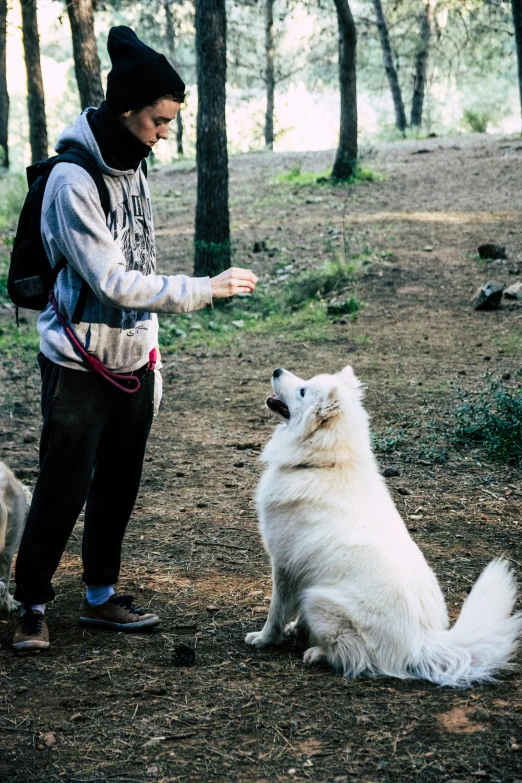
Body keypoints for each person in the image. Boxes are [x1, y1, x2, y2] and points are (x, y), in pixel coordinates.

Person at [12, 26, 257, 653]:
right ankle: (31, 604)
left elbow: (143, 260)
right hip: (76, 362)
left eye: (170, 121)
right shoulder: (72, 182)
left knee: (118, 482)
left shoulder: (133, 162)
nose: (165, 132)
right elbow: (115, 281)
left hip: (133, 362)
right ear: (126, 110)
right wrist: (206, 288)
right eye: (158, 120)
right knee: (64, 486)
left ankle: (99, 598)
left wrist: (152, 356)